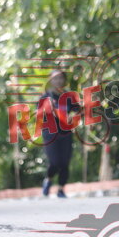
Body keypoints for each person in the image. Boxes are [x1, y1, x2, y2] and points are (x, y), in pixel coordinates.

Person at [39, 70, 82, 198]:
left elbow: (77, 110)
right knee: (54, 162)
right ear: (50, 80)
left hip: (65, 132)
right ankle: (48, 179)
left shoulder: (69, 97)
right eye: (55, 78)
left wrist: (73, 115)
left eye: (60, 78)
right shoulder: (45, 97)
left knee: (64, 162)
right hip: (50, 133)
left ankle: (61, 189)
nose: (58, 81)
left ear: (64, 80)